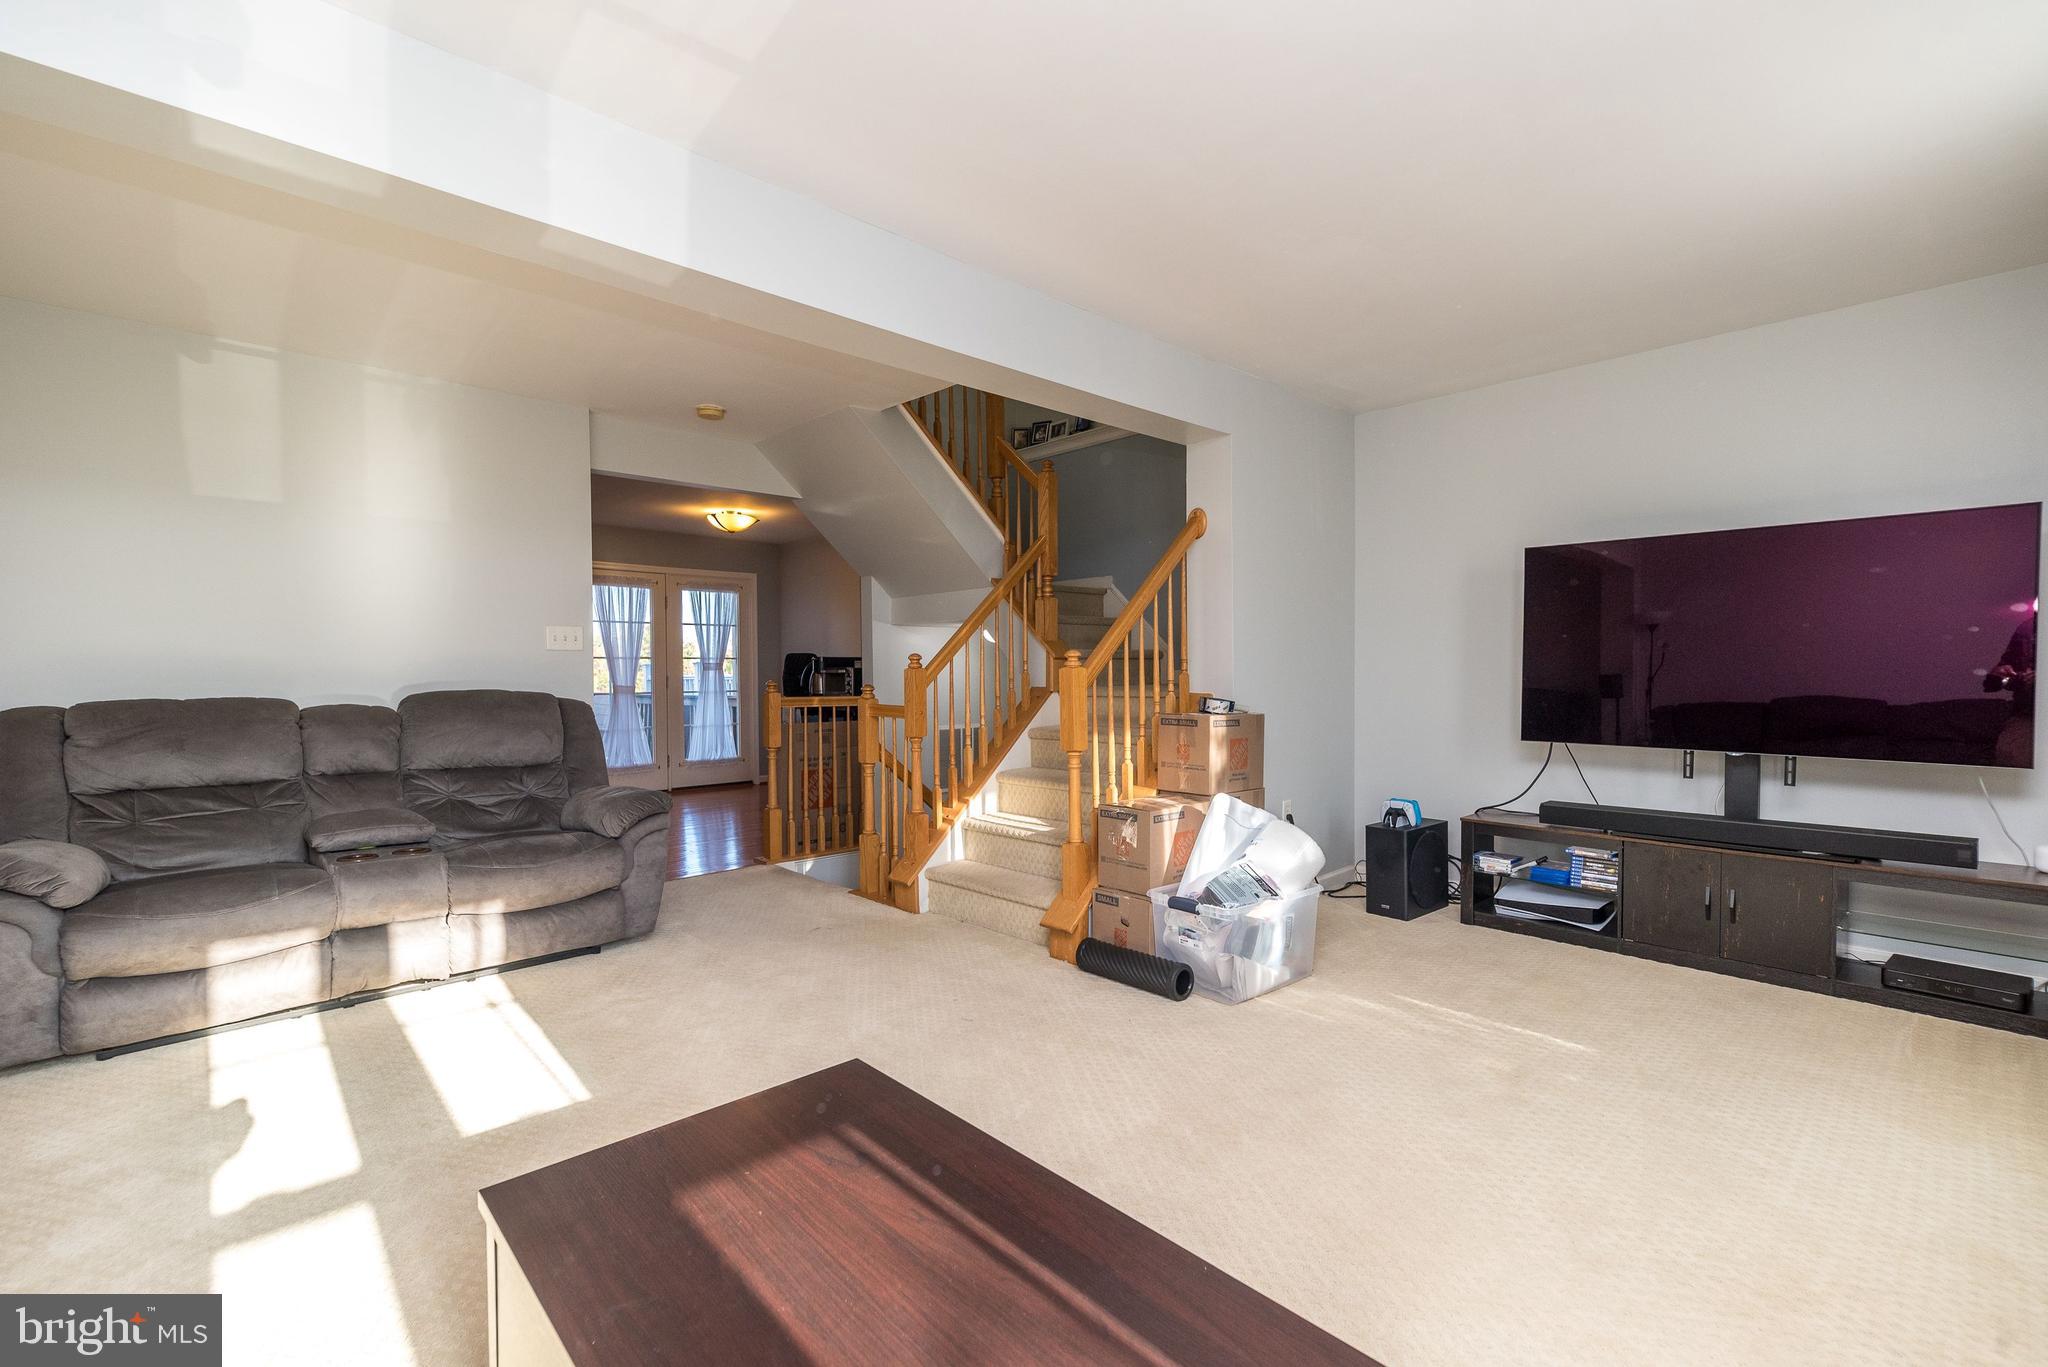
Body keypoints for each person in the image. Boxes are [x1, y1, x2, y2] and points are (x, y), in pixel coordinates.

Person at [1985, 609, 2036, 767]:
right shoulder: (2027, 628)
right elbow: (1997, 678)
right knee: (2015, 757)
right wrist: (1999, 675)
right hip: (2028, 715)